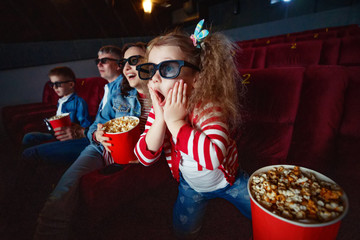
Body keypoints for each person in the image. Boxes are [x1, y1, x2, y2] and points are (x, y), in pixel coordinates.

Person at [134, 20, 251, 239]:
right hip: (191, 186)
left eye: (167, 68)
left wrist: (177, 124)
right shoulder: (158, 112)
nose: (156, 77)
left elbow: (213, 157)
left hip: (228, 180)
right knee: (182, 230)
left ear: (196, 79)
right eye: (151, 69)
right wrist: (160, 118)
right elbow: (144, 157)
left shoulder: (209, 108)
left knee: (262, 210)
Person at [34, 42, 150, 240]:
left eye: (134, 60)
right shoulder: (118, 93)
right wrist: (97, 135)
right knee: (62, 191)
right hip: (99, 148)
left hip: (135, 154)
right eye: (124, 63)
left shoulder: (162, 96)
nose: (127, 67)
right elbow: (97, 125)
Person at [22, 66, 92, 149]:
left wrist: (76, 131)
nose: (54, 87)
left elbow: (86, 125)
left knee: (32, 140)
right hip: (57, 134)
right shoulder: (61, 101)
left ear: (71, 84)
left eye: (58, 84)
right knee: (29, 137)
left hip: (68, 137)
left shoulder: (79, 102)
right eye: (52, 84)